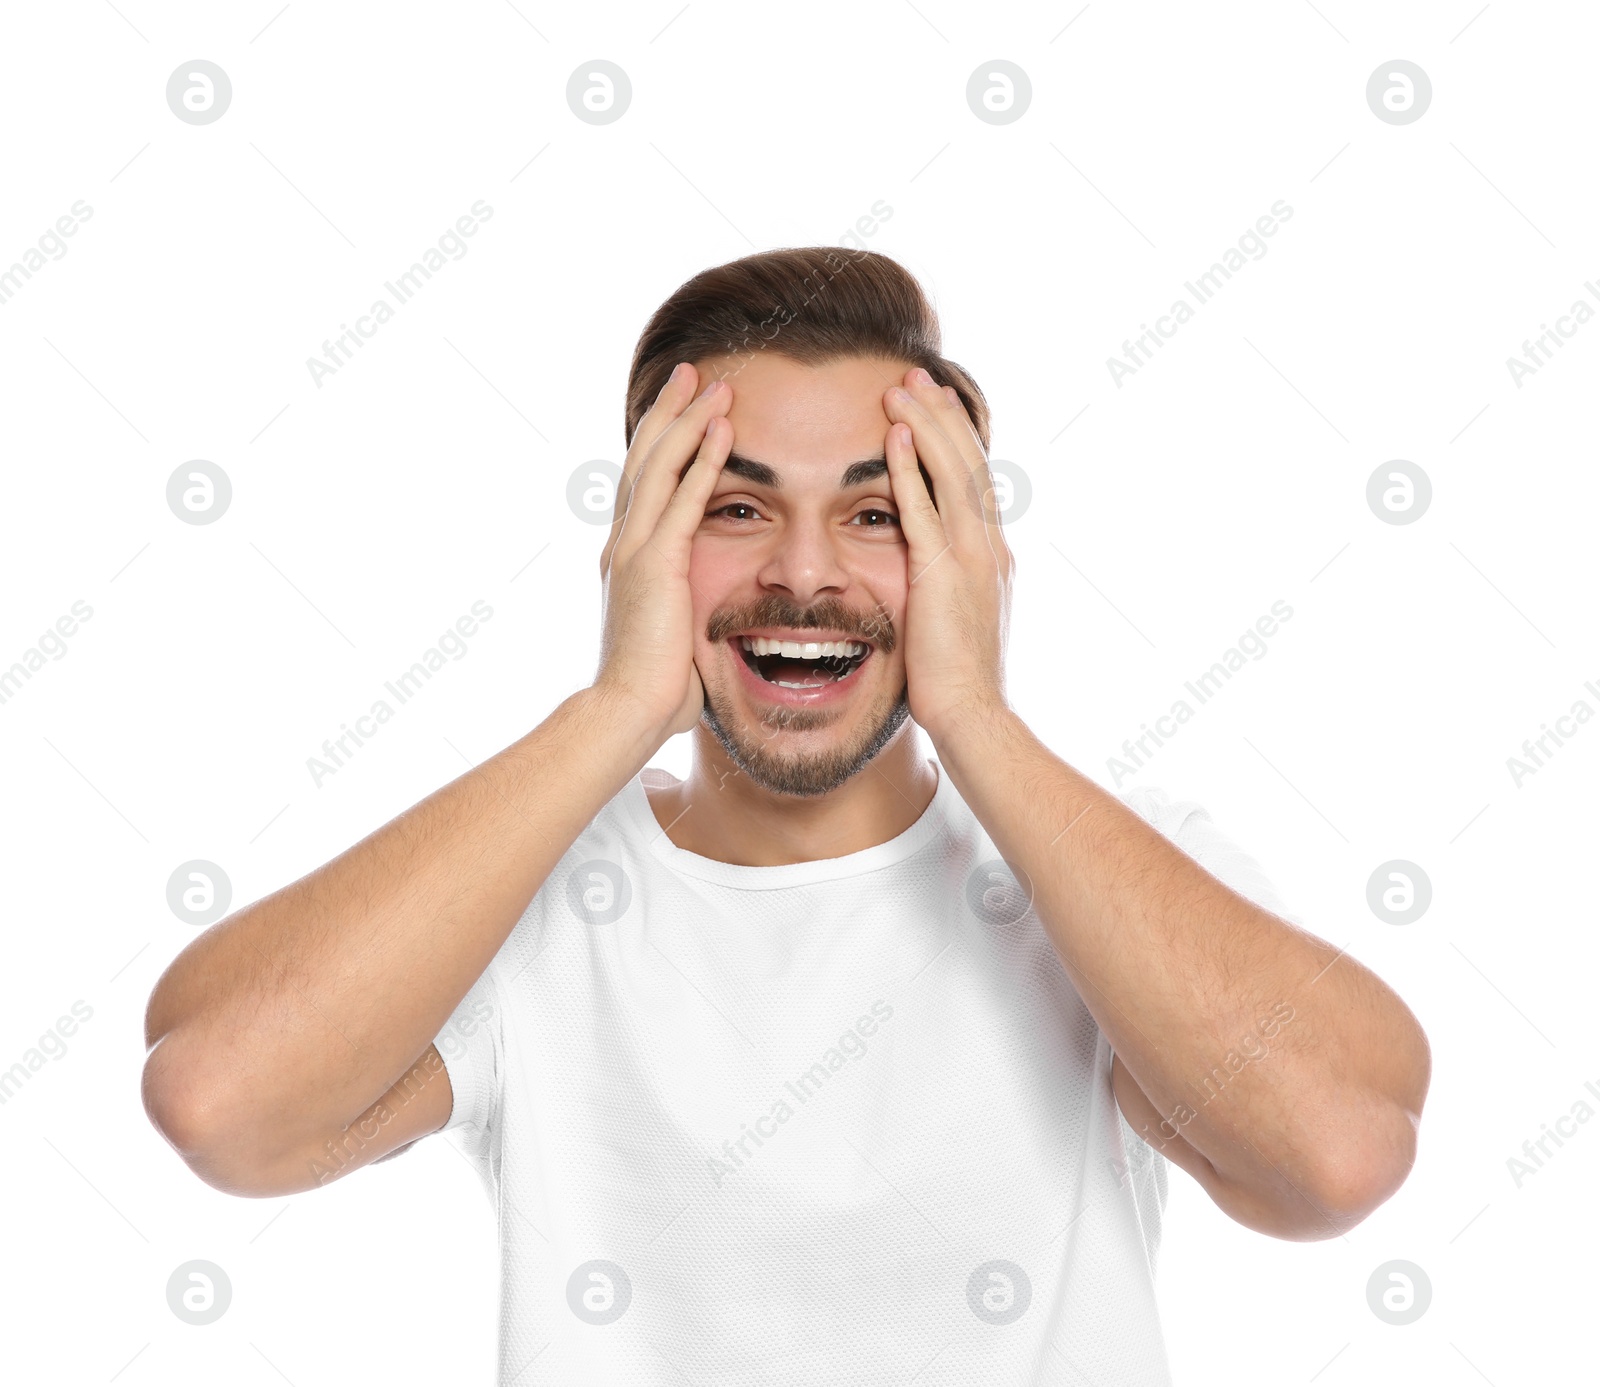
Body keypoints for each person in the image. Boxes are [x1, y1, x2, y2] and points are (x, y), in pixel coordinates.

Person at [141, 247, 1430, 1385]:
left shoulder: (1110, 875)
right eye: (734, 508)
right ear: (641, 541)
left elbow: (1336, 1157)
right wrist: (618, 706)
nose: (803, 574)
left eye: (877, 515)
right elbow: (220, 1100)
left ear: (966, 552)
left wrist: (978, 715)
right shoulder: (534, 896)